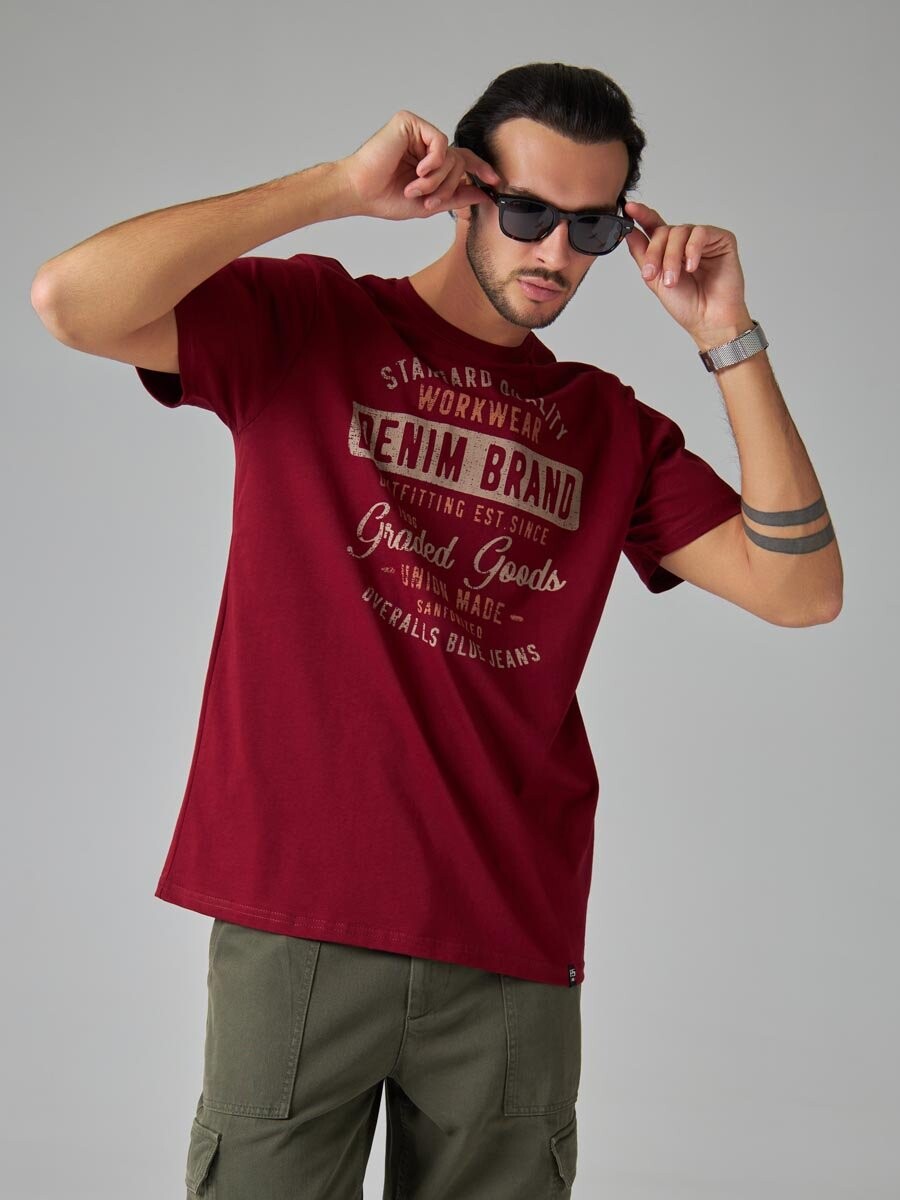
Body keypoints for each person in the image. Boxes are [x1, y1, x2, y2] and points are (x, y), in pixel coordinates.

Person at [31, 61, 842, 1200]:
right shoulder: (312, 325)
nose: (555, 254)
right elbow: (71, 301)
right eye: (528, 212)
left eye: (591, 228)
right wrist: (330, 188)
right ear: (464, 190)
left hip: (509, 941)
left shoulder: (606, 425)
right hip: (301, 919)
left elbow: (801, 588)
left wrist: (729, 333)